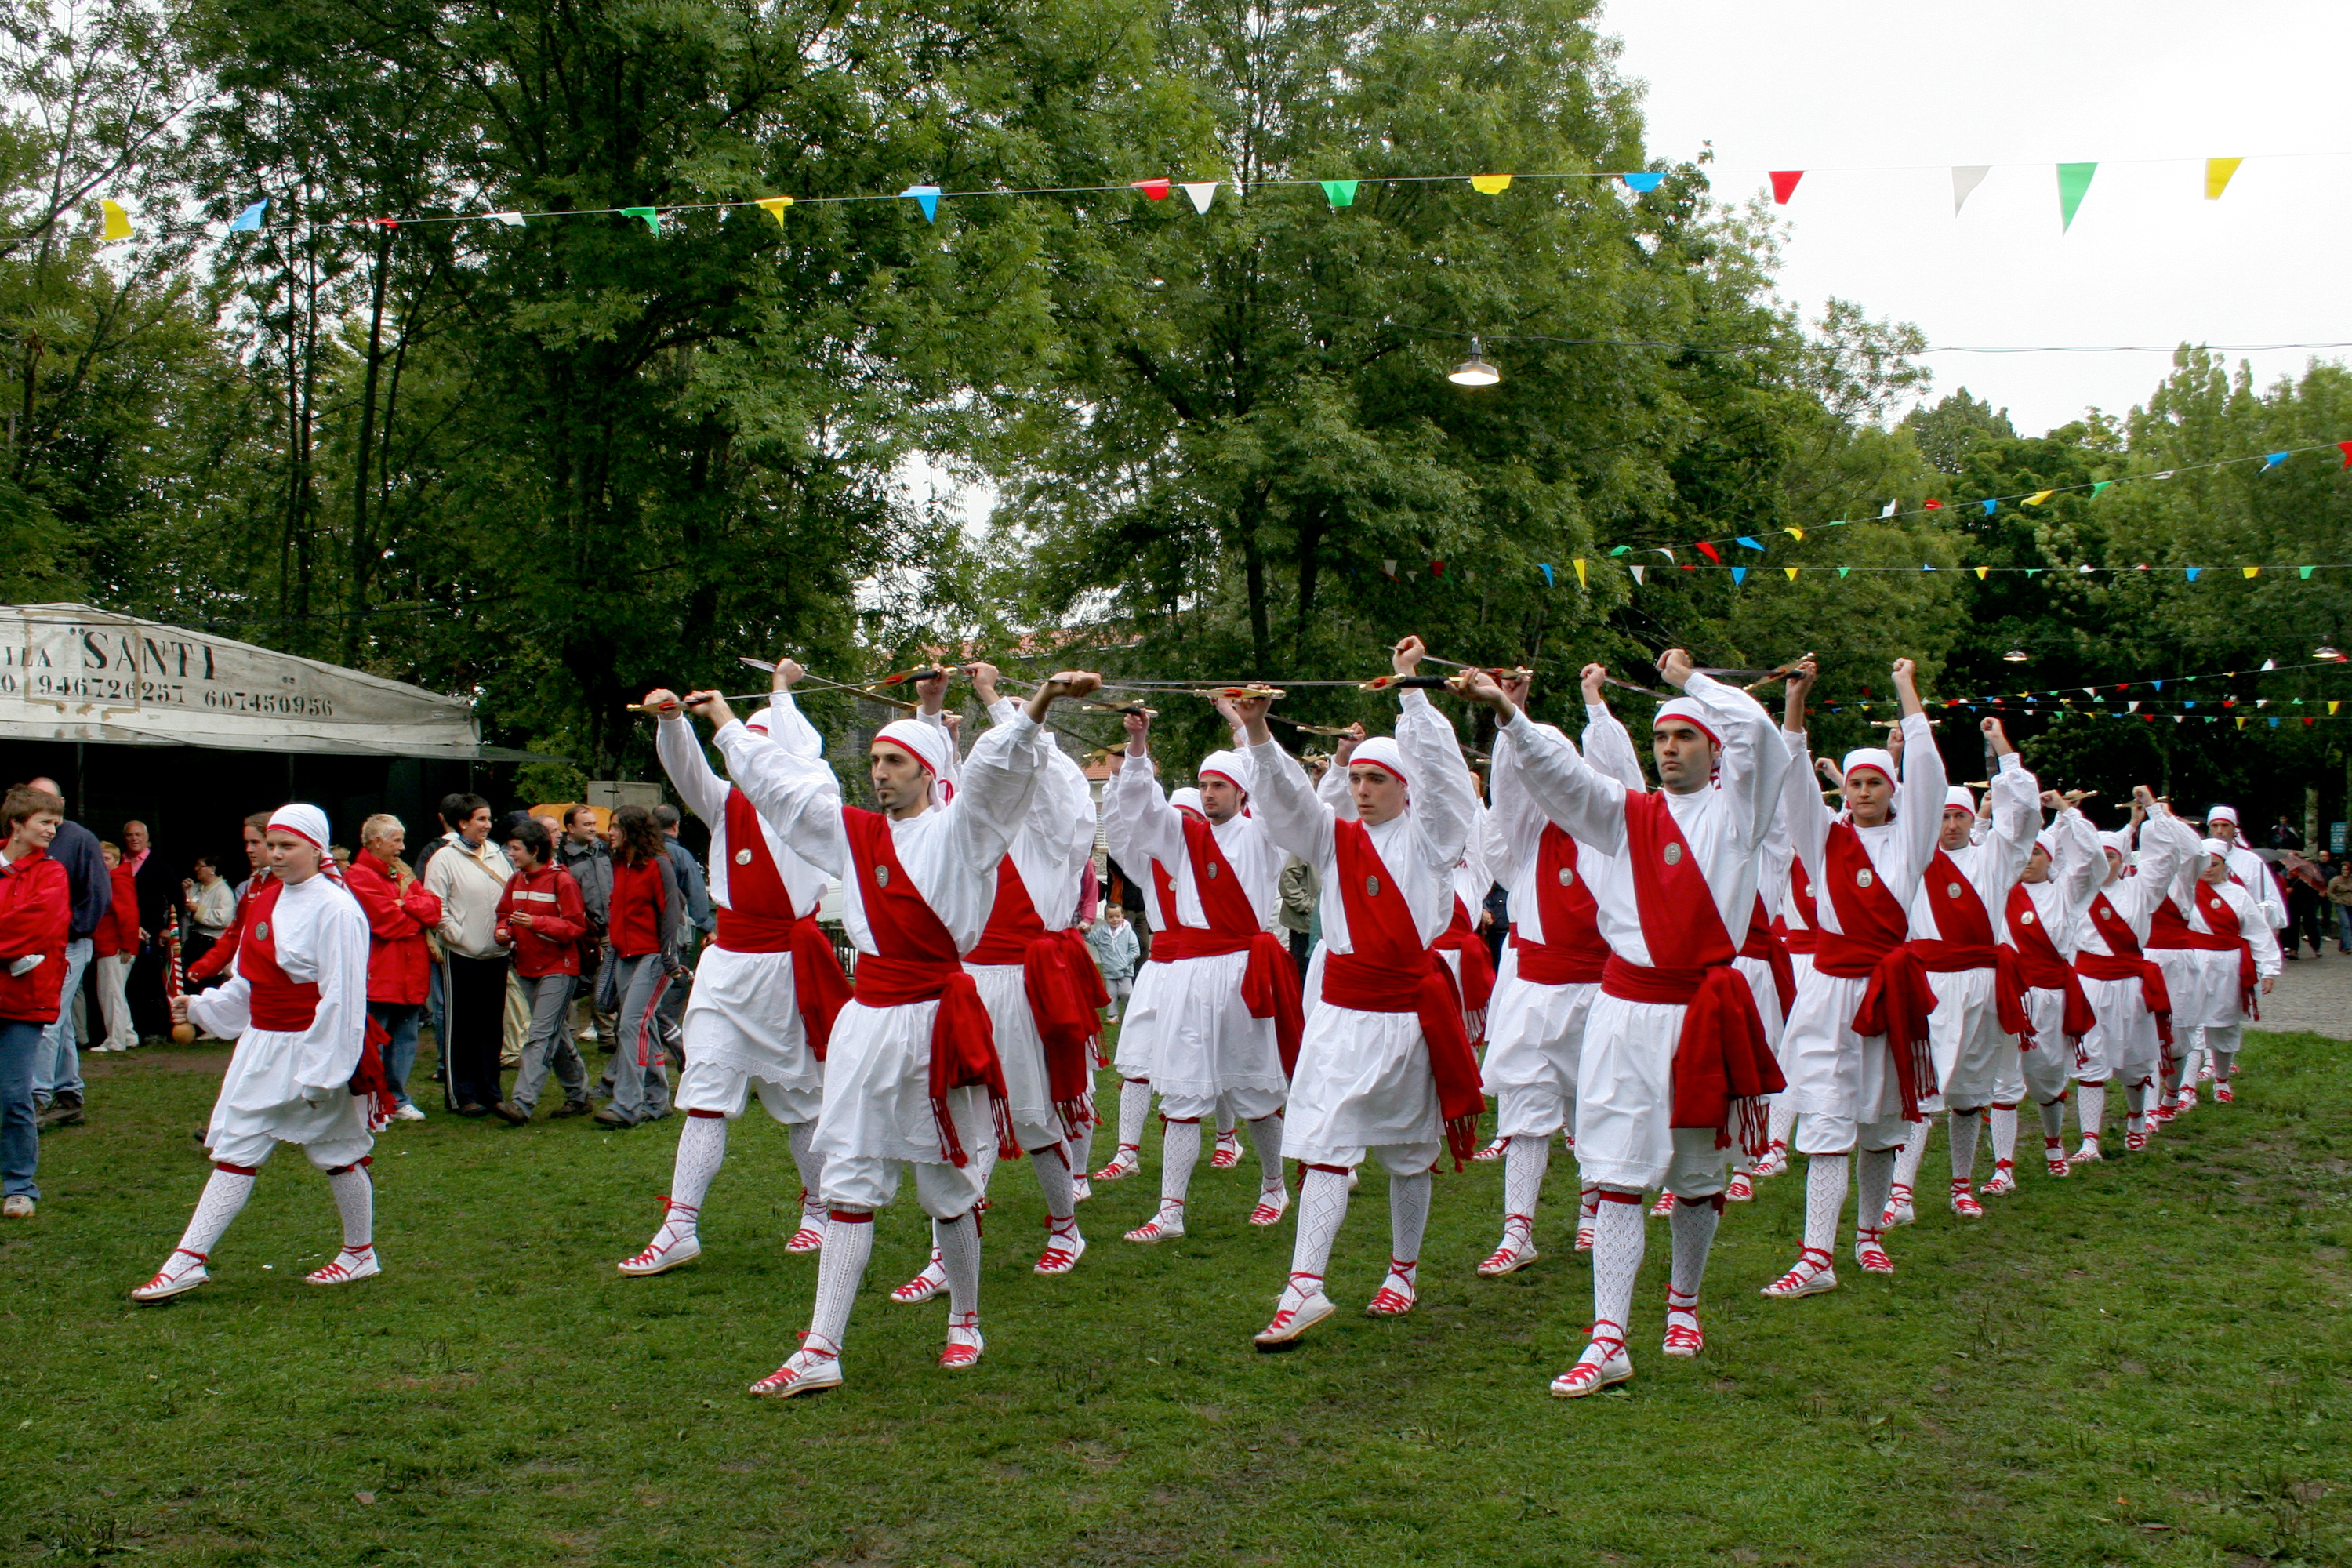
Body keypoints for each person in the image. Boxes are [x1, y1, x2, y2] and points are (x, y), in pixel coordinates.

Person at [707, 665, 1098, 1397]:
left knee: (948, 1185)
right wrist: (726, 719)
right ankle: (822, 1345)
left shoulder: (965, 832)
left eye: (895, 762)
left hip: (937, 1024)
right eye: (876, 762)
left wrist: (1037, 701)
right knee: (851, 1179)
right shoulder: (851, 834)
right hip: (868, 1027)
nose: (880, 774)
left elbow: (999, 771)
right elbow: (780, 791)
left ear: (927, 771)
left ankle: (966, 1320)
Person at [1460, 653, 1790, 1393]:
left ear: (1714, 751)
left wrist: (1691, 683)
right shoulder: (1624, 816)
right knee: (1613, 1171)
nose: (1670, 747)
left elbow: (1762, 737)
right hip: (1623, 1012)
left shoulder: (1741, 813)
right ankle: (1609, 1337)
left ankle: (1684, 1304)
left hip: (1701, 1014)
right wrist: (1509, 716)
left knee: (1699, 1175)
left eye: (1686, 737)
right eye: (1662, 738)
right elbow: (1562, 778)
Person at [1236, 637, 1483, 1349]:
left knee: (1408, 1151)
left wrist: (1411, 691)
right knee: (1325, 1145)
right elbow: (1283, 803)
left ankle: (1402, 1271)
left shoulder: (1434, 836)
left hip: (1408, 1014)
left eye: (1379, 778)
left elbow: (1441, 775)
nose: (1365, 788)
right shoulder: (1333, 837)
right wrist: (1256, 731)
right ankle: (1304, 1286)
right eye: (1361, 778)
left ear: (1404, 787)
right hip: (1342, 1015)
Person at [618, 666, 851, 1274]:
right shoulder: (728, 804)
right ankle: (680, 1225)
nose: (745, 758)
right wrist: (672, 721)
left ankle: (821, 1209)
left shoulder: (818, 805)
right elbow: (688, 769)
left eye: (758, 745)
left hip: (785, 972)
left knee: (801, 1103)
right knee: (704, 1095)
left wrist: (781, 692)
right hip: (728, 967)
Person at [883, 662, 1107, 1294]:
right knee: (957, 1123)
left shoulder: (1048, 822)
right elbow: (942, 779)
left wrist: (996, 698)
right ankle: (942, 1256)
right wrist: (931, 710)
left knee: (1033, 1121)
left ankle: (1066, 1226)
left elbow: (1039, 770)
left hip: (1016, 986)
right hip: (964, 984)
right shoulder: (968, 820)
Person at [130, 805, 387, 1299]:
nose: (275, 854)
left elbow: (344, 998)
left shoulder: (337, 908)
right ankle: (188, 1260)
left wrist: (324, 1071)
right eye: (270, 845)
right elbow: (250, 982)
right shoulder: (264, 899)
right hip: (265, 1047)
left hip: (314, 1047)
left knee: (336, 1151)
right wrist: (201, 1008)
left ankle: (359, 1253)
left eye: (286, 846)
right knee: (238, 1147)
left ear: (316, 848)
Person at [1762, 657, 1943, 1298]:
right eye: (1855, 783)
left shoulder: (1913, 841)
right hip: (1828, 993)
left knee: (1881, 1121)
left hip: (1886, 992)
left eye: (1874, 782)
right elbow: (1792, 788)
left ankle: (1868, 1236)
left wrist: (1905, 692)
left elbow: (1930, 778)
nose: (1862, 791)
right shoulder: (1824, 838)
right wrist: (1795, 707)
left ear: (1891, 789)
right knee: (1829, 1120)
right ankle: (1817, 1255)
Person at [1102, 699, 1301, 1248]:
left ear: (1241, 792)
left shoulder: (1264, 835)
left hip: (1241, 972)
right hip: (1190, 975)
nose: (1209, 794)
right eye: (1204, 786)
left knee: (1256, 1092)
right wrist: (1138, 745)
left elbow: (1280, 789)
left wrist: (1247, 727)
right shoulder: (1181, 836)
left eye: (1220, 785)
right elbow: (1138, 808)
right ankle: (1170, 1212)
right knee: (1184, 1096)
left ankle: (1273, 1186)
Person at [1470, 666, 1639, 1277]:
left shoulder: (1613, 832)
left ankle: (1593, 1207)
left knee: (1598, 1106)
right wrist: (1508, 718)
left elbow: (1619, 777)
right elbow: (1510, 792)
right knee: (1526, 1105)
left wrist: (1595, 711)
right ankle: (1519, 1230)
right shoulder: (1524, 839)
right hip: (1537, 988)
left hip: (1602, 988)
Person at [1902, 728, 2038, 1218]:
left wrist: (2004, 750)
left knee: (1970, 1092)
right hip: (1933, 985)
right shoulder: (1913, 860)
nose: (1952, 825)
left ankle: (1961, 1184)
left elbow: (2021, 819)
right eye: (1942, 816)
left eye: (1959, 815)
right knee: (1924, 1087)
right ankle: (1901, 1190)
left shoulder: (1993, 859)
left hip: (1983, 986)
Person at [2073, 797, 2195, 1154]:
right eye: (2098, 857)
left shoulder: (2141, 890)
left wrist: (2155, 813)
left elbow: (2167, 859)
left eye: (2110, 857)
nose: (2103, 863)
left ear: (2122, 860)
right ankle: (2089, 1140)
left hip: (2130, 986)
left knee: (2134, 1060)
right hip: (2090, 986)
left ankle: (2137, 1118)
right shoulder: (2076, 891)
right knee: (2090, 1061)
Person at [2002, 799, 2103, 1178]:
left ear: (2050, 858)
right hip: (2012, 995)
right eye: (2024, 852)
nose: (2028, 859)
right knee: (2005, 1081)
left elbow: (2093, 860)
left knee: (2047, 1079)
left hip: (2052, 997)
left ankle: (2054, 1142)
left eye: (2037, 852)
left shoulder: (2067, 893)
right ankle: (2003, 1168)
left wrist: (2067, 812)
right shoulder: (2000, 888)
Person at [490, 819, 593, 1124]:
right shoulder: (516, 880)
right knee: (553, 1033)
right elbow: (504, 915)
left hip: (558, 969)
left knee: (539, 1035)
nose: (511, 854)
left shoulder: (562, 881)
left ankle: (522, 1104)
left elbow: (576, 927)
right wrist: (503, 931)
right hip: (527, 966)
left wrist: (535, 924)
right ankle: (579, 1095)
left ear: (535, 850)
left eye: (516, 849)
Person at [1, 783, 71, 1218]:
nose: (52, 830)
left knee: (13, 1094)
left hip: (25, 1002)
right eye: (44, 822)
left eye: (55, 823)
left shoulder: (51, 874)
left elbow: (37, 925)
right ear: (16, 825)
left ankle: (20, 1185)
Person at [346, 815, 443, 1122]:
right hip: (382, 974)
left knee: (405, 1039)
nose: (402, 847)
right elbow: (388, 923)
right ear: (376, 842)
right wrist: (412, 909)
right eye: (396, 840)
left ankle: (396, 1099)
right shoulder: (358, 877)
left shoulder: (398, 872)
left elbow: (434, 908)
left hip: (410, 973)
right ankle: (370, 1100)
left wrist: (406, 906)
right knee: (371, 1041)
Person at [423, 793, 514, 1116]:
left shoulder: (497, 855)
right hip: (462, 955)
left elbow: (508, 898)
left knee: (491, 1025)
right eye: (480, 819)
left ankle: (491, 1090)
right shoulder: (444, 859)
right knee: (462, 1026)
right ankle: (462, 1094)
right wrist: (458, 936)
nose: (487, 826)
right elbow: (436, 906)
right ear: (463, 823)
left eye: (489, 819)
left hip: (496, 954)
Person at [596, 805, 684, 1127]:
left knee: (630, 1025)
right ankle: (658, 1100)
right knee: (643, 1026)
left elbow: (671, 911)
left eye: (616, 826)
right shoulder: (620, 864)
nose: (611, 832)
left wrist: (668, 958)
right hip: (624, 956)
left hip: (653, 958)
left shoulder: (659, 865)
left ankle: (627, 1104)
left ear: (633, 830)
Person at [25, 777, 103, 1130]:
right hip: (36, 945)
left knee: (46, 1020)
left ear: (62, 802)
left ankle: (35, 1100)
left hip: (68, 945)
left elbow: (98, 895)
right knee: (62, 1023)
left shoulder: (79, 838)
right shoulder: (30, 839)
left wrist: (69, 931)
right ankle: (70, 1096)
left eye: (48, 801)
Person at [2182, 837, 2281, 1105]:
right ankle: (2186, 1088)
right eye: (2204, 864)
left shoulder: (2238, 895)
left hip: (2228, 967)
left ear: (2225, 865)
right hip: (2194, 964)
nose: (2209, 869)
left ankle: (2221, 1080)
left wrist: (2268, 969)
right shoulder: (2186, 891)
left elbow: (2259, 934)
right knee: (2194, 1024)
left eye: (2214, 864)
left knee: (2224, 1025)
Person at [187, 813, 274, 989]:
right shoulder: (255, 883)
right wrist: (205, 966)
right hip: (254, 976)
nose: (248, 849)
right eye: (247, 843)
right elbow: (237, 931)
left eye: (255, 842)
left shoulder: (286, 882)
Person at [556, 805, 616, 1048]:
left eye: (594, 823)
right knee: (571, 983)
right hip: (578, 931)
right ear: (570, 828)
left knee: (605, 981)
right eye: (587, 824)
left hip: (607, 927)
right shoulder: (563, 857)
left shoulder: (604, 851)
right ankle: (567, 1035)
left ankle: (608, 1034)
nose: (593, 828)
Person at [89, 843, 140, 1053]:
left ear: (117, 860)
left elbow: (128, 915)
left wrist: (127, 945)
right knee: (115, 993)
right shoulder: (116, 879)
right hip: (113, 945)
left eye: (107, 859)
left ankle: (115, 1040)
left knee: (111, 994)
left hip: (115, 946)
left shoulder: (116, 881)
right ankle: (127, 1035)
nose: (103, 863)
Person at [181, 856, 237, 974]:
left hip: (210, 944)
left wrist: (198, 909)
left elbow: (224, 920)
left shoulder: (224, 891)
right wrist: (183, 892)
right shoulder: (195, 887)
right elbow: (182, 913)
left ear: (211, 869)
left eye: (199, 866)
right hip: (193, 941)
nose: (195, 869)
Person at [1087, 903, 1139, 1022]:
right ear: (1106, 919)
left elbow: (1135, 950)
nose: (1114, 920)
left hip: (1125, 970)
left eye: (1117, 916)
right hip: (1109, 970)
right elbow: (1092, 939)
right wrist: (1085, 932)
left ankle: (1130, 1012)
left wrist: (1125, 962)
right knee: (1111, 994)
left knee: (1125, 992)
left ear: (1122, 916)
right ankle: (1112, 1016)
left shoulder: (1128, 932)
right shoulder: (1102, 932)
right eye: (1111, 917)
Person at [2280, 851, 2329, 960]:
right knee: (2293, 926)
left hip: (2308, 902)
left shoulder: (2309, 872)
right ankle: (2294, 949)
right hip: (2293, 902)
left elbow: (2315, 888)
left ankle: (2316, 947)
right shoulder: (2287, 872)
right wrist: (2288, 889)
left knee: (2311, 924)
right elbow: (2283, 884)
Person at [2327, 858, 2352, 953]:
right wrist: (2337, 900)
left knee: (2349, 925)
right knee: (2345, 924)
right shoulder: (2335, 880)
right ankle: (2348, 947)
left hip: (2350, 904)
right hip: (2341, 905)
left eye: (2347, 870)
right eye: (2344, 870)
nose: (2346, 872)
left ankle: (2343, 944)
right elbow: (2330, 892)